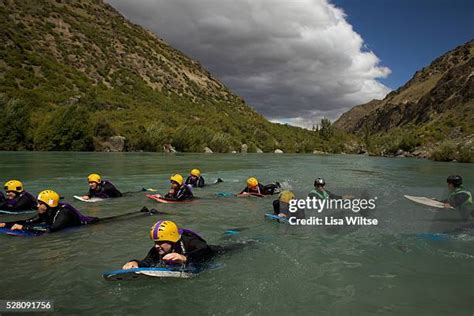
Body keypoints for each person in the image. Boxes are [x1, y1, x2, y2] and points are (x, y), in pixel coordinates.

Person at [122, 220, 214, 268]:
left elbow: (205, 251)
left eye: (161, 242)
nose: (157, 246)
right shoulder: (157, 250)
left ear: (172, 240)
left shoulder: (190, 241)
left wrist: (185, 258)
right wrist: (135, 262)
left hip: (215, 252)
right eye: (156, 242)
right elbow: (147, 261)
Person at [0, 190, 97, 233]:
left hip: (91, 224)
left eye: (40, 203)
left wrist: (24, 228)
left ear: (48, 204)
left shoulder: (63, 211)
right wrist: (5, 224)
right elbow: (29, 221)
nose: (37, 205)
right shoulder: (47, 211)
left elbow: (52, 229)